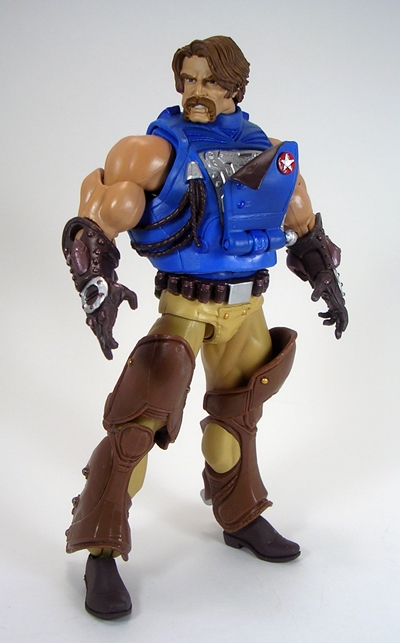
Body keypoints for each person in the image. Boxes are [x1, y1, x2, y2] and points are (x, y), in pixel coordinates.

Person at [62, 36, 348, 620]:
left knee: (238, 418)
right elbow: (99, 215)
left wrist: (327, 279)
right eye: (188, 80)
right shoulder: (150, 152)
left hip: (247, 306)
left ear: (234, 86)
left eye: (209, 81)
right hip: (186, 306)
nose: (195, 92)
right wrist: (97, 284)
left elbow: (302, 220)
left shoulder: (269, 151)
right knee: (138, 424)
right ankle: (100, 547)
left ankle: (239, 516)